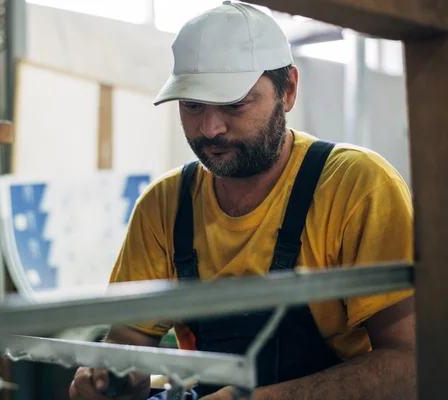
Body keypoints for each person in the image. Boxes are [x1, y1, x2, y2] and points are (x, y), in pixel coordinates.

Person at [69, 1, 416, 399]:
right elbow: (128, 340)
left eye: (234, 105)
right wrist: (110, 373)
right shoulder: (164, 206)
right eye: (193, 105)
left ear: (287, 91)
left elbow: (411, 365)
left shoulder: (357, 187)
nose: (210, 128)